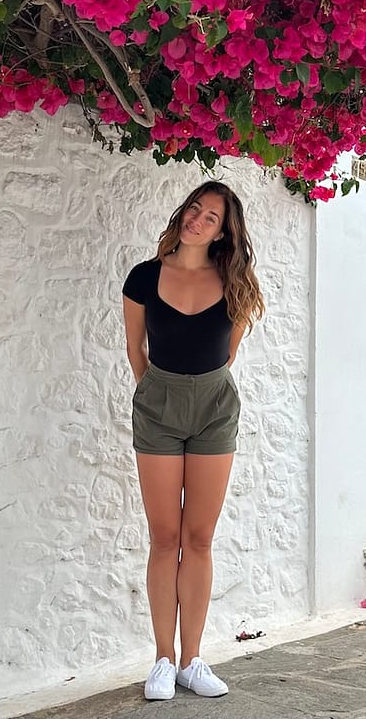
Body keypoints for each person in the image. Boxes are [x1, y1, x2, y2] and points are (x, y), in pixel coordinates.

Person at [121, 181, 265, 701]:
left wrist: (194, 389)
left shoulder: (235, 282)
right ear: (183, 213)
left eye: (211, 217)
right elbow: (136, 347)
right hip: (157, 406)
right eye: (194, 210)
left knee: (198, 538)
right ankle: (162, 660)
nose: (198, 220)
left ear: (225, 231)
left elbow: (225, 355)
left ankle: (192, 660)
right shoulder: (143, 277)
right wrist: (156, 392)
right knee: (164, 537)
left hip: (214, 409)